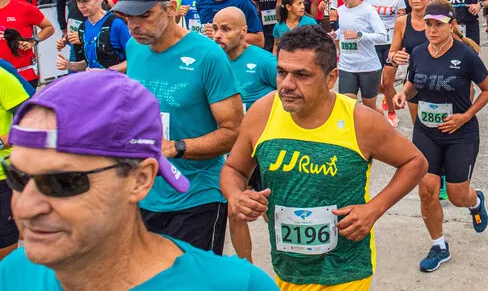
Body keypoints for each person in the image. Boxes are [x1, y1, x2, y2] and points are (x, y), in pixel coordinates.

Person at [0, 70, 279, 290]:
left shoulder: (235, 286)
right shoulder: (13, 272)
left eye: (62, 183)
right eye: (18, 177)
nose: (25, 209)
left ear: (140, 180)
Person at [220, 25, 427, 290]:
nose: (287, 85)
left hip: (346, 268)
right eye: (281, 72)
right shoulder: (263, 112)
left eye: (302, 75)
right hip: (288, 268)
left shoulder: (360, 121)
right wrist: (236, 196)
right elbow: (234, 170)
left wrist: (374, 209)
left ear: (331, 78)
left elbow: (415, 162)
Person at [113, 0, 244, 254]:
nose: (133, 24)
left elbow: (233, 131)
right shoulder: (135, 49)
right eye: (127, 16)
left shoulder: (208, 55)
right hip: (146, 194)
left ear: (171, 8)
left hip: (196, 196)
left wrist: (175, 147)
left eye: (144, 15)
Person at [394, 0, 488, 272]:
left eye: (438, 24)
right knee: (426, 190)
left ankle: (475, 202)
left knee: (456, 195)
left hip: (460, 133)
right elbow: (414, 83)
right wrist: (403, 93)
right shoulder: (417, 52)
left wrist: (466, 115)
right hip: (426, 131)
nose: (432, 29)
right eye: (428, 23)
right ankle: (439, 245)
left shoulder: (466, 55)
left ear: (451, 25)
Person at [212, 6, 277, 263]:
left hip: (262, 151)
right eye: (215, 28)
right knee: (235, 209)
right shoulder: (212, 62)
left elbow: (291, 94)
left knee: (270, 211)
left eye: (225, 30)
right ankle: (246, 267)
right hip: (231, 152)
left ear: (243, 32)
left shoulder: (263, 62)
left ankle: (285, 257)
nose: (218, 35)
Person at [336, 0, 387, 111]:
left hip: (368, 67)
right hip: (347, 66)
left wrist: (359, 35)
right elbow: (343, 31)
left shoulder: (368, 10)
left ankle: (382, 129)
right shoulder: (340, 10)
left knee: (369, 108)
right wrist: (333, 35)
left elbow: (382, 36)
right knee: (347, 106)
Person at [0, 60, 34, 260]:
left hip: (3, 177)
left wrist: (1, 141)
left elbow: (33, 119)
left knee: (5, 247)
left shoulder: (2, 76)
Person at [364, 0, 406, 126]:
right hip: (373, 43)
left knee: (388, 82)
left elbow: (401, 22)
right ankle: (389, 99)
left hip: (390, 44)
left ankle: (392, 112)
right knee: (374, 82)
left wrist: (402, 42)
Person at [55, 0, 130, 73]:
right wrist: (69, 65)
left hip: (117, 83)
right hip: (96, 83)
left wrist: (106, 72)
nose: (81, 6)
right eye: (78, 1)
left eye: (86, 1)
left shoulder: (116, 24)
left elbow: (134, 59)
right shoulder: (83, 27)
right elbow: (89, 63)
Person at [0, 0, 55, 88]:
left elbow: (49, 28)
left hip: (22, 75)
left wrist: (34, 41)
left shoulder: (25, 9)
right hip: (1, 74)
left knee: (23, 108)